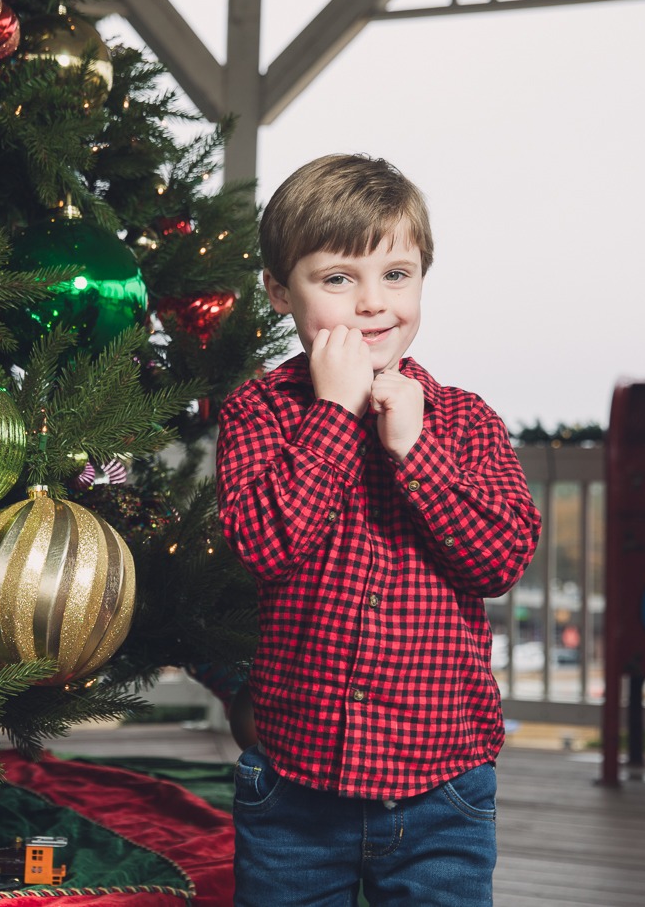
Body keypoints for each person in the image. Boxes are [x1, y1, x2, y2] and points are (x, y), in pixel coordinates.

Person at [216, 153, 542, 906]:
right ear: (278, 291)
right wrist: (333, 414)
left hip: (443, 790)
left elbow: (501, 558)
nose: (373, 303)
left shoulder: (465, 420)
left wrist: (416, 451)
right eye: (338, 278)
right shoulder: (260, 413)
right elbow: (264, 546)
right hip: (296, 789)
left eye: (396, 274)